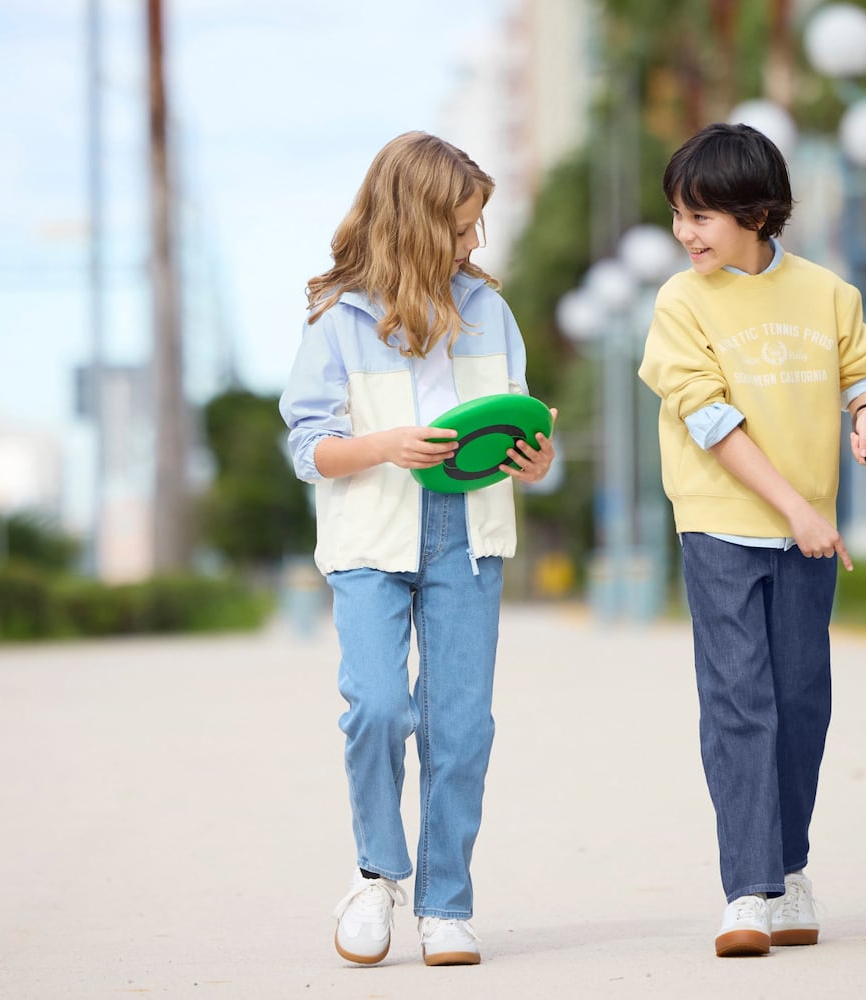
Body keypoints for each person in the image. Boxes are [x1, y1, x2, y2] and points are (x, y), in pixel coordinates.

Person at [279, 131, 556, 968]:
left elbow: (521, 425)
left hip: (468, 538)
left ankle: (447, 905)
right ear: (419, 222)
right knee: (378, 709)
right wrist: (387, 446)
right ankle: (375, 875)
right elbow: (308, 447)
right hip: (372, 534)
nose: (477, 241)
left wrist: (538, 461)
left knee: (461, 726)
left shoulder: (492, 314)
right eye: (466, 224)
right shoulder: (338, 321)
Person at [638, 122, 866, 958]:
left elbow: (864, 371)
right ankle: (747, 892)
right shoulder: (681, 303)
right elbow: (711, 421)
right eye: (678, 215)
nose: (684, 233)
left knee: (800, 705)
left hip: (806, 533)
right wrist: (797, 506)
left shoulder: (826, 292)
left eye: (700, 217)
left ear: (755, 212)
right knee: (739, 703)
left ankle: (788, 871)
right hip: (722, 523)